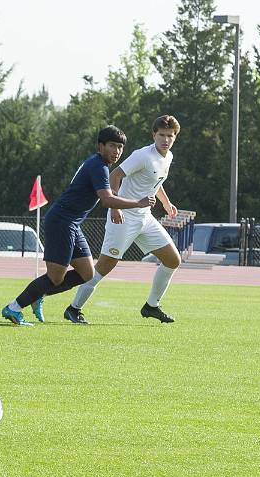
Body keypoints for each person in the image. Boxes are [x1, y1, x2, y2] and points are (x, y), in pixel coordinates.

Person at [1, 126, 156, 326]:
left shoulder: (99, 165)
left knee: (87, 273)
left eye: (120, 147)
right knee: (56, 277)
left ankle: (37, 293)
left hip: (72, 224)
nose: (117, 151)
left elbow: (108, 198)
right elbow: (107, 200)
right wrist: (137, 203)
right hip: (62, 221)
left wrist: (121, 206)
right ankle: (13, 308)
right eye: (112, 146)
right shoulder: (98, 166)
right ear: (101, 146)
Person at [64, 115, 182, 324]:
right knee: (105, 265)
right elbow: (115, 176)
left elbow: (156, 181)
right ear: (153, 135)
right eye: (161, 135)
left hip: (144, 217)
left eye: (170, 136)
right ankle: (74, 308)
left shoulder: (168, 157)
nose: (165, 139)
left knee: (173, 260)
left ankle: (151, 306)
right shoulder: (142, 155)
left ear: (175, 137)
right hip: (124, 217)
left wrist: (166, 202)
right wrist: (115, 207)